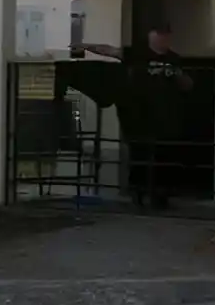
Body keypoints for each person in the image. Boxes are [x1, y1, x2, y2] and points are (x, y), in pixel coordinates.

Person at [71, 23, 191, 208]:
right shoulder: (137, 54)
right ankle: (138, 193)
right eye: (159, 36)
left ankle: (161, 195)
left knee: (164, 156)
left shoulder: (174, 59)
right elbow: (110, 51)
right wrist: (86, 46)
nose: (163, 40)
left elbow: (188, 85)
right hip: (138, 115)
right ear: (152, 36)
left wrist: (177, 75)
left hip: (166, 116)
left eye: (166, 36)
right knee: (139, 154)